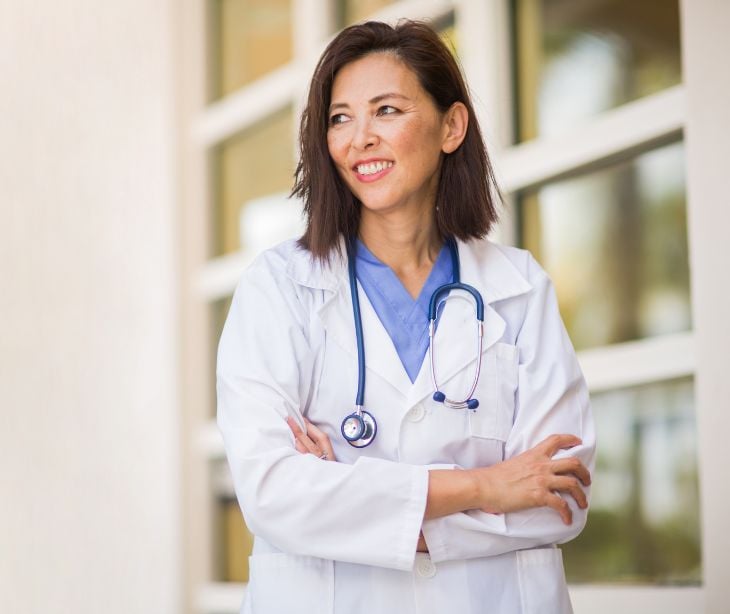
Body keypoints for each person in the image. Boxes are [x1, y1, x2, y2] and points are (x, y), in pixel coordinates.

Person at [217, 20, 595, 614]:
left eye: (386, 110)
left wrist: (348, 503)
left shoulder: (518, 290)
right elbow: (272, 494)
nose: (358, 137)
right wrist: (486, 486)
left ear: (451, 126)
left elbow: (558, 497)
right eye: (339, 118)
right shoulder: (280, 288)